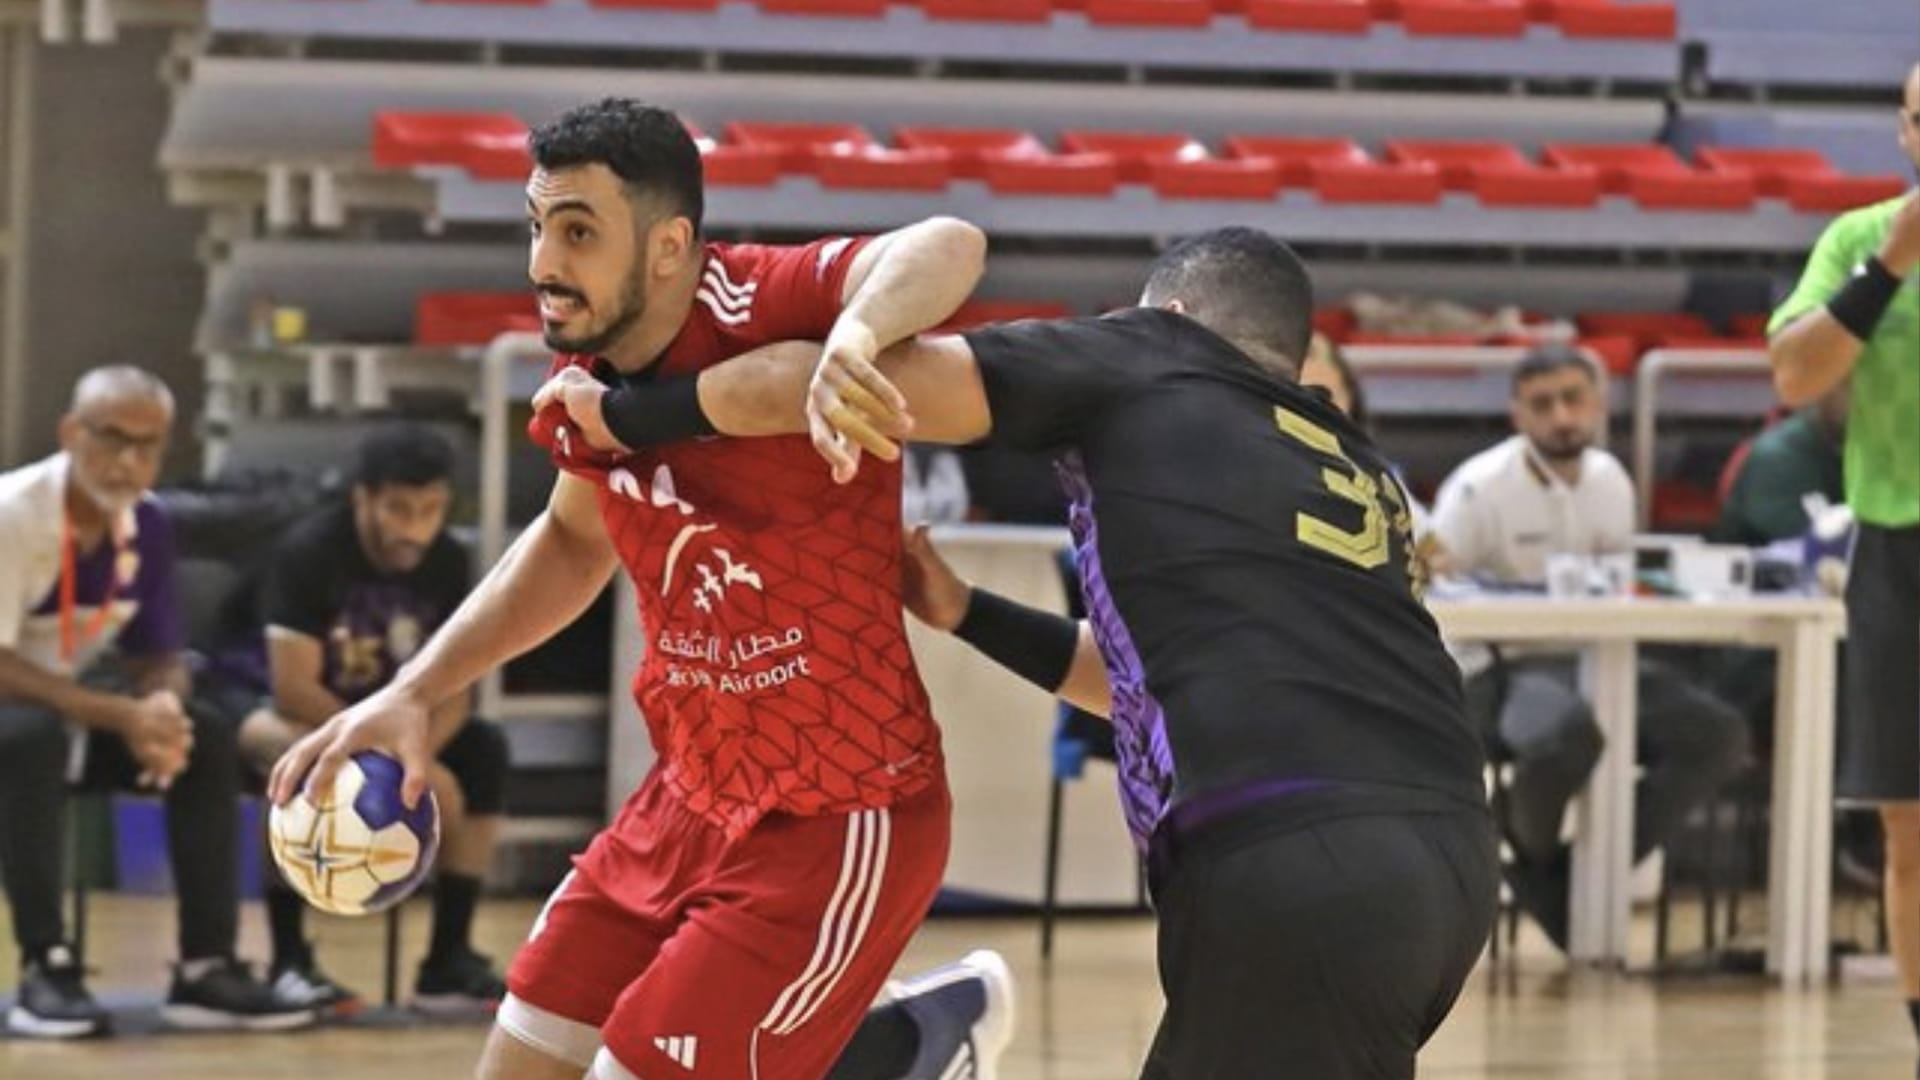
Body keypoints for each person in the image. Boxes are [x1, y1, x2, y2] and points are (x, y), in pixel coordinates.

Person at [541, 226, 1498, 1079]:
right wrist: (965, 612)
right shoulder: (1352, 465)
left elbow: (848, 385)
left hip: (1296, 862)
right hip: (1447, 869)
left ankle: (922, 1046)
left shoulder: (1152, 352)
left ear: (1164, 311)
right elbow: (1140, 686)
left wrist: (626, 419)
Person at [268, 98, 1011, 1080]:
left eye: (577, 231)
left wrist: (856, 340)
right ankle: (884, 1050)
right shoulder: (587, 352)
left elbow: (950, 243)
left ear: (669, 248)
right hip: (684, 802)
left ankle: (903, 1049)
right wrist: (413, 691)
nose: (543, 261)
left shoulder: (758, 301)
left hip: (835, 819)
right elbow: (573, 546)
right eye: (537, 226)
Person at [0, 367, 313, 1038]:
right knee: (29, 736)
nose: (128, 462)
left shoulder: (147, 525)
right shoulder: (12, 512)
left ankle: (206, 968)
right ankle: (45, 968)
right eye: (112, 439)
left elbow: (160, 655)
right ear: (68, 434)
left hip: (69, 712)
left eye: (148, 446)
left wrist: (163, 711)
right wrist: (121, 715)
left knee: (204, 731)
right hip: (23, 718)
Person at [1428, 344, 1750, 950]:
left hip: (1601, 654)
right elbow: (1437, 584)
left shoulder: (1611, 481)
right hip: (1500, 663)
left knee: (1718, 734)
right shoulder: (1476, 488)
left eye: (1574, 398)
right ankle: (1535, 850)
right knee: (1562, 734)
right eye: (1543, 404)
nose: (1562, 415)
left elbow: (1618, 583)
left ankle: (1560, 874)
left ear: (1599, 404)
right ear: (1517, 414)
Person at [204, 424, 511, 1015]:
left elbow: (456, 688)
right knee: (296, 759)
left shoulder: (447, 559)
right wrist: (395, 761)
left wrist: (417, 762)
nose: (414, 527)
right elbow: (294, 688)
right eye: (399, 508)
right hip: (264, 697)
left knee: (484, 750)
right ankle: (290, 962)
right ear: (363, 498)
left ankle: (447, 959)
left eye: (431, 509)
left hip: (383, 716)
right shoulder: (310, 552)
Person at [1767, 59, 1920, 1067]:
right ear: (1907, 130)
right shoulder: (1861, 240)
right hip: (1900, 549)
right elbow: (1795, 375)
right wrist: (1891, 268)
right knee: (1913, 825)